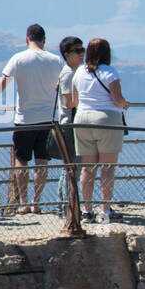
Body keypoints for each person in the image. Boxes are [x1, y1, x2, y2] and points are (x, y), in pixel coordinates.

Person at [0, 23, 63, 214]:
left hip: (25, 119)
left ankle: (23, 202)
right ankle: (36, 201)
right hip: (47, 119)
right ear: (44, 40)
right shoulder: (55, 61)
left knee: (21, 160)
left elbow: (2, 84)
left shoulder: (18, 59)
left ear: (27, 39)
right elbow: (61, 87)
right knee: (42, 161)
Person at [67, 38, 130, 223]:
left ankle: (86, 212)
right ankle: (105, 212)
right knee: (107, 168)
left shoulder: (79, 72)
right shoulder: (110, 72)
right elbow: (117, 99)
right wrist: (125, 104)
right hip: (106, 120)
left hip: (82, 120)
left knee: (88, 168)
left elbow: (74, 101)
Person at [53, 36, 84, 211]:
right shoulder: (68, 74)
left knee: (71, 167)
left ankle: (65, 205)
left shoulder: (75, 72)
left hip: (74, 124)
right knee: (72, 168)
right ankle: (67, 206)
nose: (82, 54)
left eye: (82, 50)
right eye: (77, 51)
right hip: (70, 126)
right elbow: (69, 102)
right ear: (67, 54)